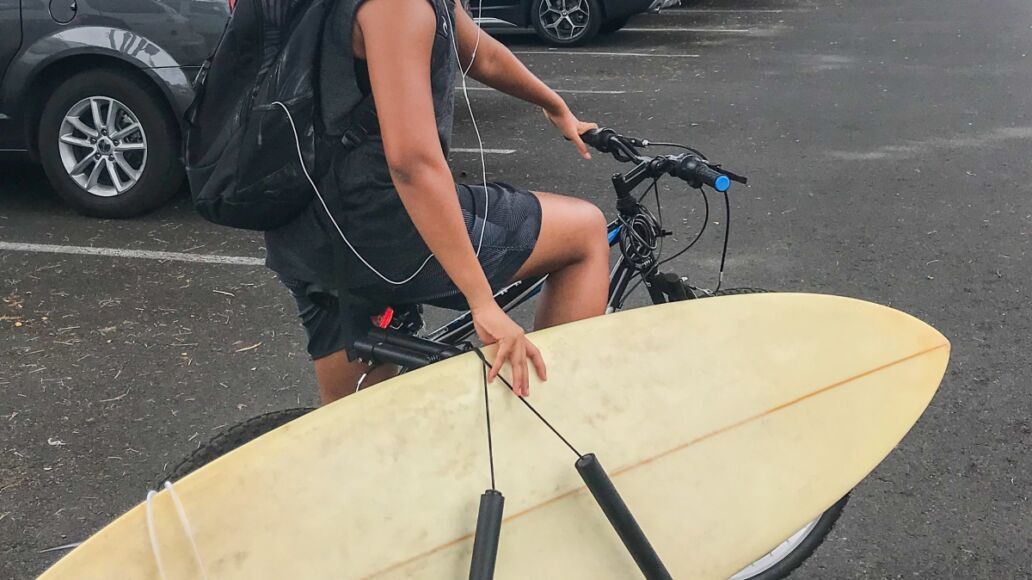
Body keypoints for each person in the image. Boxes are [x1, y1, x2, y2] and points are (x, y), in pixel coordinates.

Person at [264, 0, 610, 406]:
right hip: (380, 229)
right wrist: (482, 303)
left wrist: (553, 104)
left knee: (358, 427)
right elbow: (413, 165)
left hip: (302, 226)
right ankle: (549, 415)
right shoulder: (398, 6)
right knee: (584, 230)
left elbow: (484, 55)